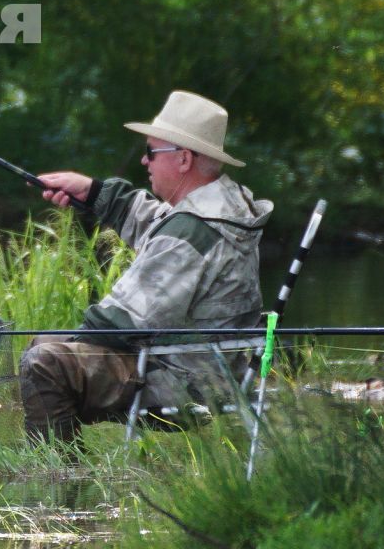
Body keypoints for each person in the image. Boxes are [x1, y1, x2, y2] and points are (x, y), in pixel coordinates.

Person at [19, 90, 272, 444]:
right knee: (46, 348)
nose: (144, 161)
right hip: (212, 368)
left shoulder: (194, 231)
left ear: (183, 159)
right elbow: (157, 222)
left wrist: (73, 343)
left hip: (182, 382)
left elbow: (123, 320)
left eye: (151, 152)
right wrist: (93, 193)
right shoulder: (223, 204)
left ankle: (59, 479)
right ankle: (62, 467)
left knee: (45, 363)